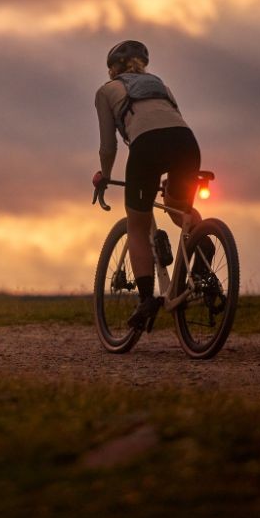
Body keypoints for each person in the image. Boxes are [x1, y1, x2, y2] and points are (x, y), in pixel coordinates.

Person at [93, 39, 202, 330]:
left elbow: (108, 146)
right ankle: (203, 265)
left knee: (137, 226)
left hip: (147, 147)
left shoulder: (106, 91)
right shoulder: (161, 86)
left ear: (112, 70)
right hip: (186, 143)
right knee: (181, 210)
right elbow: (173, 120)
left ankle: (145, 300)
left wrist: (104, 175)